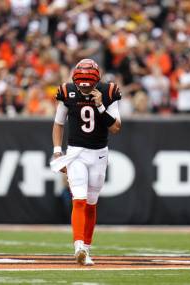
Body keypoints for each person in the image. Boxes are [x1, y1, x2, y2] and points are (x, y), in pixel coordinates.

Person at [50, 58, 121, 266]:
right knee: (78, 198)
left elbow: (116, 128)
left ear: (96, 81)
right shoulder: (67, 91)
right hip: (76, 153)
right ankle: (78, 245)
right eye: (81, 84)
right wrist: (57, 151)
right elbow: (58, 123)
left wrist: (100, 106)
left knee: (91, 202)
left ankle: (86, 248)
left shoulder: (108, 92)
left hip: (99, 153)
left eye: (88, 85)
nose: (84, 89)